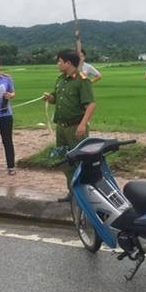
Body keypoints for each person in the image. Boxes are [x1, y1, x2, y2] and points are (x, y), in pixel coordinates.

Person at [43, 50, 96, 202]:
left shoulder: (82, 80)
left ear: (68, 63)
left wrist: (82, 125)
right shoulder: (60, 79)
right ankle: (72, 192)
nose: (57, 64)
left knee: (80, 160)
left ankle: (84, 194)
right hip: (61, 128)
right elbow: (56, 99)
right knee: (66, 160)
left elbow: (91, 105)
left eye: (59, 61)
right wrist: (50, 98)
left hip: (75, 128)